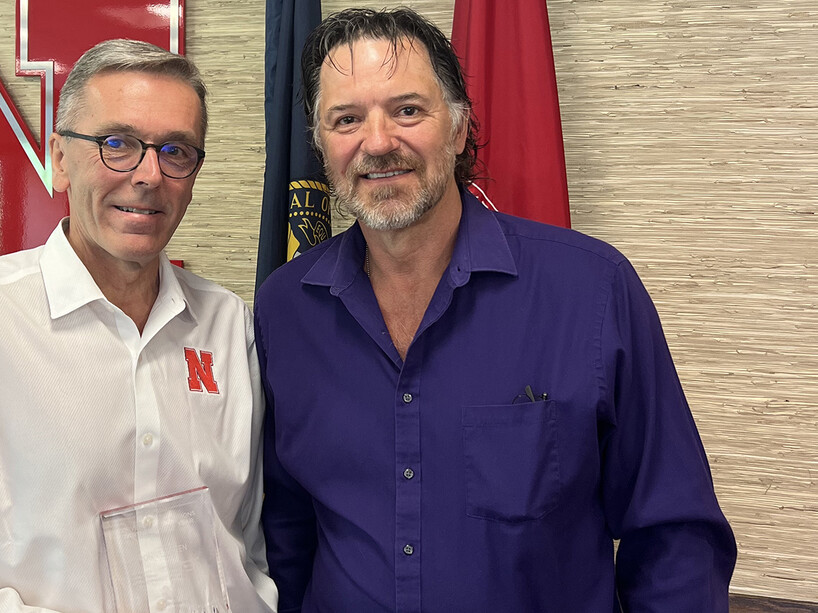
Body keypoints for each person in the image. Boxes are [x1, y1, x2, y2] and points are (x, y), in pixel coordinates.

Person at [254, 8, 736, 612]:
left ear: (457, 129)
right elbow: (288, 533)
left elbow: (674, 536)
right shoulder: (284, 309)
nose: (377, 142)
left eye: (408, 110)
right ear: (322, 144)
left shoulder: (591, 289)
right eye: (346, 119)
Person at [0, 39, 276, 613]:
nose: (149, 174)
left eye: (177, 151)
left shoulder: (229, 326)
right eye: (118, 144)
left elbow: (244, 537)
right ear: (59, 158)